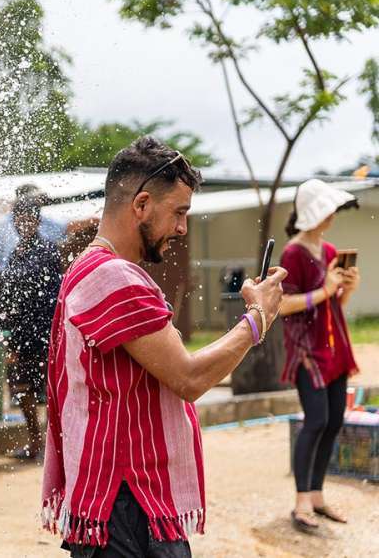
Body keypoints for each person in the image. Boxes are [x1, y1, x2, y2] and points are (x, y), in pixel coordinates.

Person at [41, 136, 286, 557]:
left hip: (114, 498)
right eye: (178, 212)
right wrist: (257, 319)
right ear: (141, 205)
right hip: (127, 499)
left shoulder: (88, 268)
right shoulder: (116, 278)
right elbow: (189, 377)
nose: (181, 228)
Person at [277, 179, 360, 531]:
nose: (332, 215)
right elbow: (281, 305)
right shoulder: (292, 254)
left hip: (335, 348)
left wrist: (346, 289)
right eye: (327, 209)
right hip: (306, 351)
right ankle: (300, 504)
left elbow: (334, 305)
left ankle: (317, 497)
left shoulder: (328, 251)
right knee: (315, 421)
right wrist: (324, 290)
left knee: (335, 420)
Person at [0, 193, 63, 460]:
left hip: (44, 332)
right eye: (18, 220)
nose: (23, 224)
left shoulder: (47, 250)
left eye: (28, 219)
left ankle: (52, 446)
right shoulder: (14, 254)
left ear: (36, 221)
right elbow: (9, 294)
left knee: (50, 391)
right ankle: (35, 442)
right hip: (20, 333)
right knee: (21, 389)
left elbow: (46, 291)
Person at [0, 183, 67, 271]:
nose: (26, 225)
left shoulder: (46, 222)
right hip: (7, 273)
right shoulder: (2, 224)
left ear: (37, 222)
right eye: (21, 221)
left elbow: (66, 231)